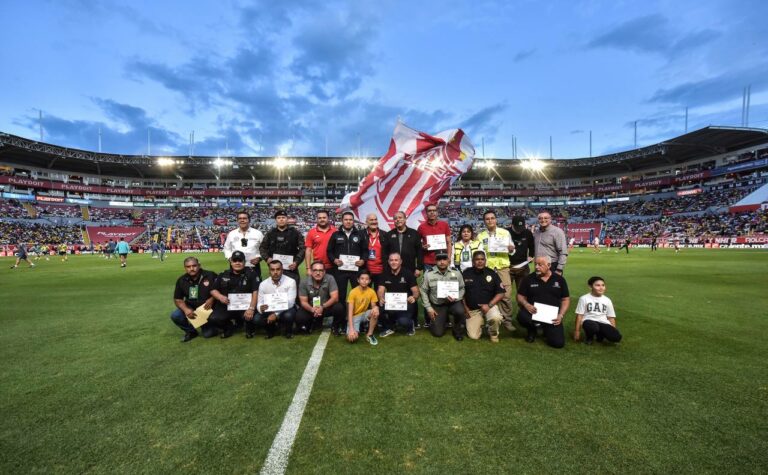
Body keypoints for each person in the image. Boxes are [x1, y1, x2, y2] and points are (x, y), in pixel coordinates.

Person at [326, 211, 368, 334]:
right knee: (340, 298)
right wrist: (334, 260)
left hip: (356, 271)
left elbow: (365, 251)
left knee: (359, 296)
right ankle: (339, 323)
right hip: (340, 271)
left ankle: (360, 321)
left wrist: (363, 260)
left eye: (350, 220)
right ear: (342, 221)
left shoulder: (360, 234)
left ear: (353, 221)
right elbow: (329, 251)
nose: (348, 221)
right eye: (346, 219)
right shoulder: (335, 235)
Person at [516, 256, 570, 349]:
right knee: (522, 316)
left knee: (558, 343)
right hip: (533, 313)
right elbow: (520, 296)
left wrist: (560, 315)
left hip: (551, 315)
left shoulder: (559, 279)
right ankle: (532, 329)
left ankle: (545, 328)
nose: (536, 267)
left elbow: (565, 299)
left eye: (540, 265)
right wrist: (526, 304)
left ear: (548, 265)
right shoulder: (528, 279)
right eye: (535, 264)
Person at [382, 211, 424, 328]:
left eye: (400, 218)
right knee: (394, 292)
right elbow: (385, 254)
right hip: (393, 269)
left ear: (405, 219)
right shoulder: (389, 235)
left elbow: (420, 252)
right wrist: (387, 268)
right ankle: (394, 318)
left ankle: (413, 319)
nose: (398, 220)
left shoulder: (414, 234)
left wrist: (419, 267)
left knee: (411, 294)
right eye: (395, 218)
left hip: (410, 269)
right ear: (393, 221)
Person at [209, 251, 260, 339]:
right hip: (226, 305)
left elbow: (256, 291)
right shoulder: (223, 274)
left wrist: (251, 308)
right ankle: (228, 327)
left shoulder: (252, 273)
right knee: (214, 318)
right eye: (235, 260)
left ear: (244, 262)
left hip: (245, 306)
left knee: (252, 317)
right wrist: (220, 297)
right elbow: (213, 290)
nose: (237, 263)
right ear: (231, 261)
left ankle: (249, 328)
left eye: (240, 260)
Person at [477, 210, 516, 322]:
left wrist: (511, 249)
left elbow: (512, 250)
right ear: (484, 221)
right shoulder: (480, 236)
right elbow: (479, 253)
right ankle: (491, 318)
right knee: (488, 293)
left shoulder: (505, 233)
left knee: (506, 295)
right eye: (487, 219)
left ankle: (507, 320)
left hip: (502, 268)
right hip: (487, 269)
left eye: (492, 218)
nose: (490, 220)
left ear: (496, 220)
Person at [170, 257, 217, 342]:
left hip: (208, 308)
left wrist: (212, 298)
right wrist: (186, 310)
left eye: (194, 266)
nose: (191, 269)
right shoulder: (181, 280)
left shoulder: (210, 275)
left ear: (199, 265)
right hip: (191, 307)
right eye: (188, 267)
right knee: (176, 316)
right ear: (185, 268)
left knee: (208, 334)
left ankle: (211, 324)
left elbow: (221, 290)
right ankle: (191, 332)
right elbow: (178, 299)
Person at [420, 252, 466, 340]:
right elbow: (423, 291)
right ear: (435, 261)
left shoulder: (456, 272)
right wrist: (429, 308)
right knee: (438, 333)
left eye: (444, 259)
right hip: (438, 305)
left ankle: (457, 331)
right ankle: (442, 320)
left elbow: (462, 288)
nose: (442, 262)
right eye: (439, 259)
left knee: (460, 311)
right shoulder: (428, 274)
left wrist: (456, 297)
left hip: (453, 303)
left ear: (448, 260)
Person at [462, 251, 506, 342]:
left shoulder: (492, 274)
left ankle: (493, 333)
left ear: (485, 261)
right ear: (473, 261)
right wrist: (465, 308)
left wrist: (489, 305)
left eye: (482, 259)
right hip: (472, 309)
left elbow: (501, 293)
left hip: (489, 306)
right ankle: (481, 323)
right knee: (473, 336)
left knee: (496, 317)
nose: (480, 261)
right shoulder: (466, 274)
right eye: (477, 259)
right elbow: (461, 293)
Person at [376, 252, 420, 337]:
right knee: (379, 310)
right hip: (392, 302)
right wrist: (381, 298)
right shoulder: (385, 273)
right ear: (388, 262)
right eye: (391, 260)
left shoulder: (408, 273)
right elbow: (380, 289)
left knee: (402, 321)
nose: (393, 262)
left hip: (406, 303)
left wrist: (413, 297)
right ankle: (390, 328)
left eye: (396, 260)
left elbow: (416, 291)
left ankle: (411, 325)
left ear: (400, 262)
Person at [296, 261, 344, 334]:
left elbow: (335, 298)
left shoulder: (330, 278)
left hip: (325, 307)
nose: (318, 273)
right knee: (299, 317)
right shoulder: (304, 281)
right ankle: (311, 323)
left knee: (339, 307)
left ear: (324, 272)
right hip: (311, 308)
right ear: (311, 272)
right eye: (315, 270)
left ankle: (335, 326)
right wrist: (312, 309)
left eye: (321, 270)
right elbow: (303, 302)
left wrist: (322, 307)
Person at [260, 209, 305, 284]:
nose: (281, 219)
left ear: (287, 219)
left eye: (283, 217)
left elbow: (303, 248)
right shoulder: (270, 233)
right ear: (276, 220)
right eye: (279, 218)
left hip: (291, 269)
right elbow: (262, 247)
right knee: (275, 292)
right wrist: (267, 258)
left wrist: (296, 262)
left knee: (293, 293)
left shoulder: (295, 232)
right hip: (275, 269)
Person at [255, 260, 298, 339]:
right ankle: (271, 329)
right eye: (272, 269)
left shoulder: (291, 282)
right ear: (269, 271)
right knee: (257, 319)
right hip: (270, 309)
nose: (275, 272)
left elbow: (290, 303)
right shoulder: (263, 284)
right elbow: (259, 302)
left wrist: (276, 314)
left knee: (288, 315)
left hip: (286, 309)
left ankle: (288, 330)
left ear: (282, 270)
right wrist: (260, 308)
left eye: (278, 269)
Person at [507, 215, 536, 330]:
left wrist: (531, 256)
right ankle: (507, 319)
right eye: (517, 228)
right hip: (507, 267)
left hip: (523, 267)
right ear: (511, 225)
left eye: (521, 228)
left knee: (523, 293)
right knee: (505, 295)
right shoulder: (506, 233)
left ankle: (523, 317)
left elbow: (532, 246)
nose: (519, 231)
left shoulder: (527, 233)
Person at [574, 276, 622, 345]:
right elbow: (579, 315)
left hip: (603, 322)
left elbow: (611, 317)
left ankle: (600, 336)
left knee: (616, 337)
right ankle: (589, 338)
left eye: (603, 285)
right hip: (589, 321)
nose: (601, 288)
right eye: (597, 285)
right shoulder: (584, 298)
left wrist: (613, 330)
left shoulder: (607, 300)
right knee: (593, 327)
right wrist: (577, 331)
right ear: (590, 287)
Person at [223, 210, 264, 274]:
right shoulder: (232, 234)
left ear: (249, 220)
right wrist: (230, 258)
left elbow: (264, 248)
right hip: (236, 265)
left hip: (253, 266)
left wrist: (259, 258)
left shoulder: (258, 233)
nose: (242, 220)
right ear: (237, 220)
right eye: (240, 218)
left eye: (244, 218)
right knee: (235, 283)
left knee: (254, 283)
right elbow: (226, 248)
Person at [345, 270, 380, 346]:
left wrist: (376, 308)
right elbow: (350, 312)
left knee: (375, 312)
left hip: (364, 314)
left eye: (367, 279)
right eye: (362, 278)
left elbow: (373, 306)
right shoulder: (353, 292)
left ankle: (369, 334)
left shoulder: (371, 291)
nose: (364, 281)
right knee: (352, 338)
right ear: (358, 280)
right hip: (354, 317)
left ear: (370, 281)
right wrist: (351, 329)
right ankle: (356, 328)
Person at [417, 203, 452, 272]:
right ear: (426, 213)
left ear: (437, 212)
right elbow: (417, 244)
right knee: (429, 282)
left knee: (442, 281)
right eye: (429, 211)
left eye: (434, 210)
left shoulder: (444, 225)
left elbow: (449, 242)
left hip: (442, 259)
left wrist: (449, 256)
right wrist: (423, 247)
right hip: (428, 261)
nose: (432, 212)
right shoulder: (421, 227)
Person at [304, 209, 336, 274]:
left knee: (333, 284)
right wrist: (308, 268)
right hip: (318, 266)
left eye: (324, 217)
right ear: (317, 219)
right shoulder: (311, 232)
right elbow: (308, 251)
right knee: (317, 284)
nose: (322, 219)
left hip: (334, 266)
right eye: (320, 218)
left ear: (328, 218)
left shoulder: (335, 231)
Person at [363, 213, 385, 288]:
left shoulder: (384, 234)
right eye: (371, 220)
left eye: (375, 219)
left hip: (380, 271)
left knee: (378, 295)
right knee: (365, 295)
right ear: (366, 222)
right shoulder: (361, 234)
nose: (374, 221)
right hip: (366, 271)